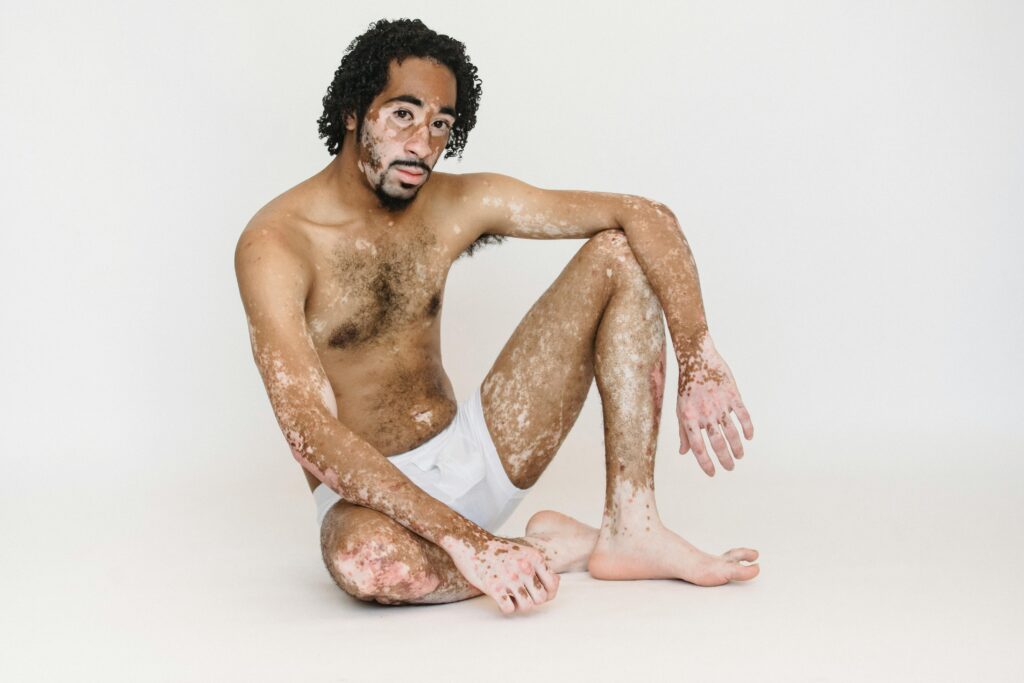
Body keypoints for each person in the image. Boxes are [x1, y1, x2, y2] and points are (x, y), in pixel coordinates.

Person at [234, 18, 758, 616]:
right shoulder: (276, 243)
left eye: (441, 125)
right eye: (403, 114)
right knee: (370, 565)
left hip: (478, 455)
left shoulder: (456, 203)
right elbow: (308, 430)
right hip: (375, 503)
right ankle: (540, 549)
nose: (424, 144)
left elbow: (642, 213)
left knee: (619, 251)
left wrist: (698, 358)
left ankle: (631, 523)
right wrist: (471, 543)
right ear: (355, 111)